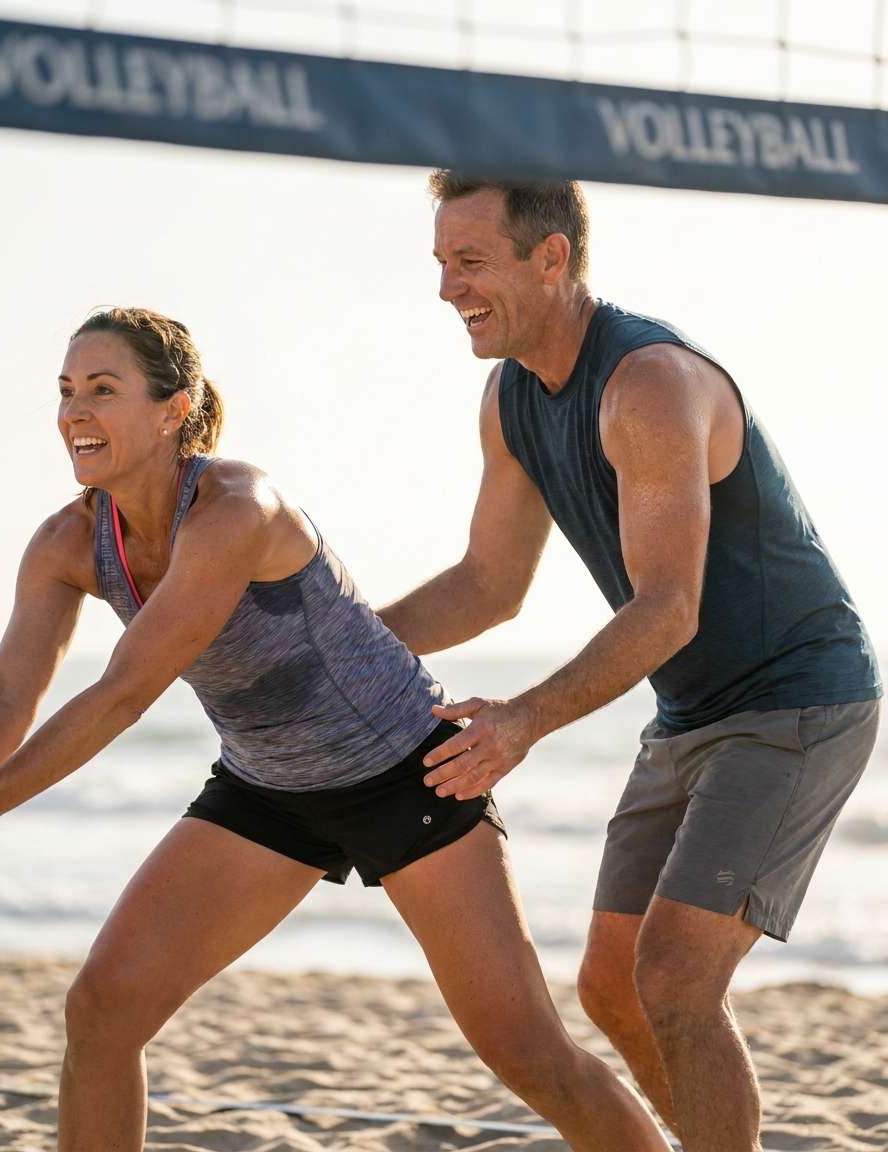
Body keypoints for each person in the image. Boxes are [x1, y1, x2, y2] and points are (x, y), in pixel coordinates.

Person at [0, 307, 671, 1152]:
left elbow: (125, 690)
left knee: (529, 1053)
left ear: (172, 408)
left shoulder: (236, 508)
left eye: (103, 390)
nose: (76, 411)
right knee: (102, 1010)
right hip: (269, 791)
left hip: (410, 771)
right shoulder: (66, 544)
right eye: (67, 391)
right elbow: (7, 702)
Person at [377, 173, 882, 1152]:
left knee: (676, 980)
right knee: (611, 987)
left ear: (552, 257)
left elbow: (668, 606)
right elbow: (489, 583)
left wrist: (520, 719)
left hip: (799, 699)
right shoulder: (511, 397)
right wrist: (334, 637)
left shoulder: (648, 384)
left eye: (470, 262)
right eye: (441, 264)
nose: (449, 288)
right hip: (691, 709)